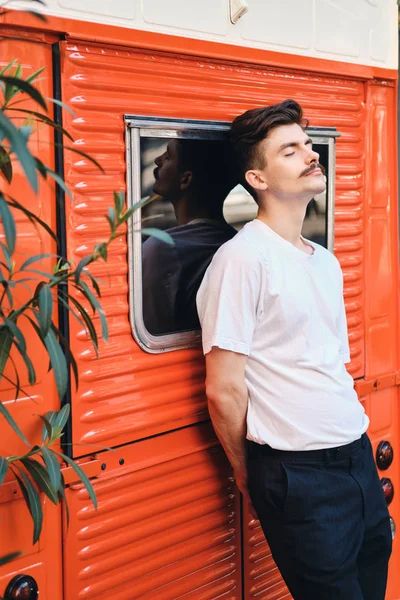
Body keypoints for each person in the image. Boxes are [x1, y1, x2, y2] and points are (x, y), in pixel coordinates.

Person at [196, 99, 392, 600]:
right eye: (290, 150)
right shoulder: (240, 260)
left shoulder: (323, 261)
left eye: (308, 144)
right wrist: (248, 472)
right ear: (257, 179)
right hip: (298, 473)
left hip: (357, 457)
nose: (310, 154)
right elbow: (223, 388)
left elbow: (326, 366)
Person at [142, 138, 237, 335]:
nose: (158, 160)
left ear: (185, 180)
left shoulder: (162, 249)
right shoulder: (235, 242)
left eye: (168, 156)